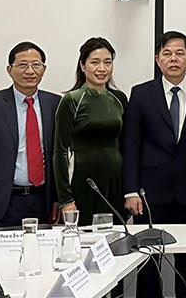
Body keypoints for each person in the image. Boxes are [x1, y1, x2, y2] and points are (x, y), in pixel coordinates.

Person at [123, 31, 186, 298]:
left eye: (180, 53)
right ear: (157, 58)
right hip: (149, 195)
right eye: (167, 53)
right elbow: (131, 145)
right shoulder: (141, 94)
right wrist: (130, 189)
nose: (173, 59)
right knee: (149, 265)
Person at [0, 42, 60, 232]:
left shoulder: (55, 103)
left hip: (42, 201)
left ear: (44, 69)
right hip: (1, 202)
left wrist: (59, 198)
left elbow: (58, 157)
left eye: (36, 65)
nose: (30, 71)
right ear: (10, 70)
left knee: (41, 259)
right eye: (23, 65)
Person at [54, 37, 128, 227]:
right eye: (95, 62)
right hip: (83, 183)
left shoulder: (119, 99)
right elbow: (60, 151)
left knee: (116, 243)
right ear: (82, 65)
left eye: (107, 62)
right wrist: (65, 200)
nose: (102, 68)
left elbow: (126, 145)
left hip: (114, 183)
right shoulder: (71, 100)